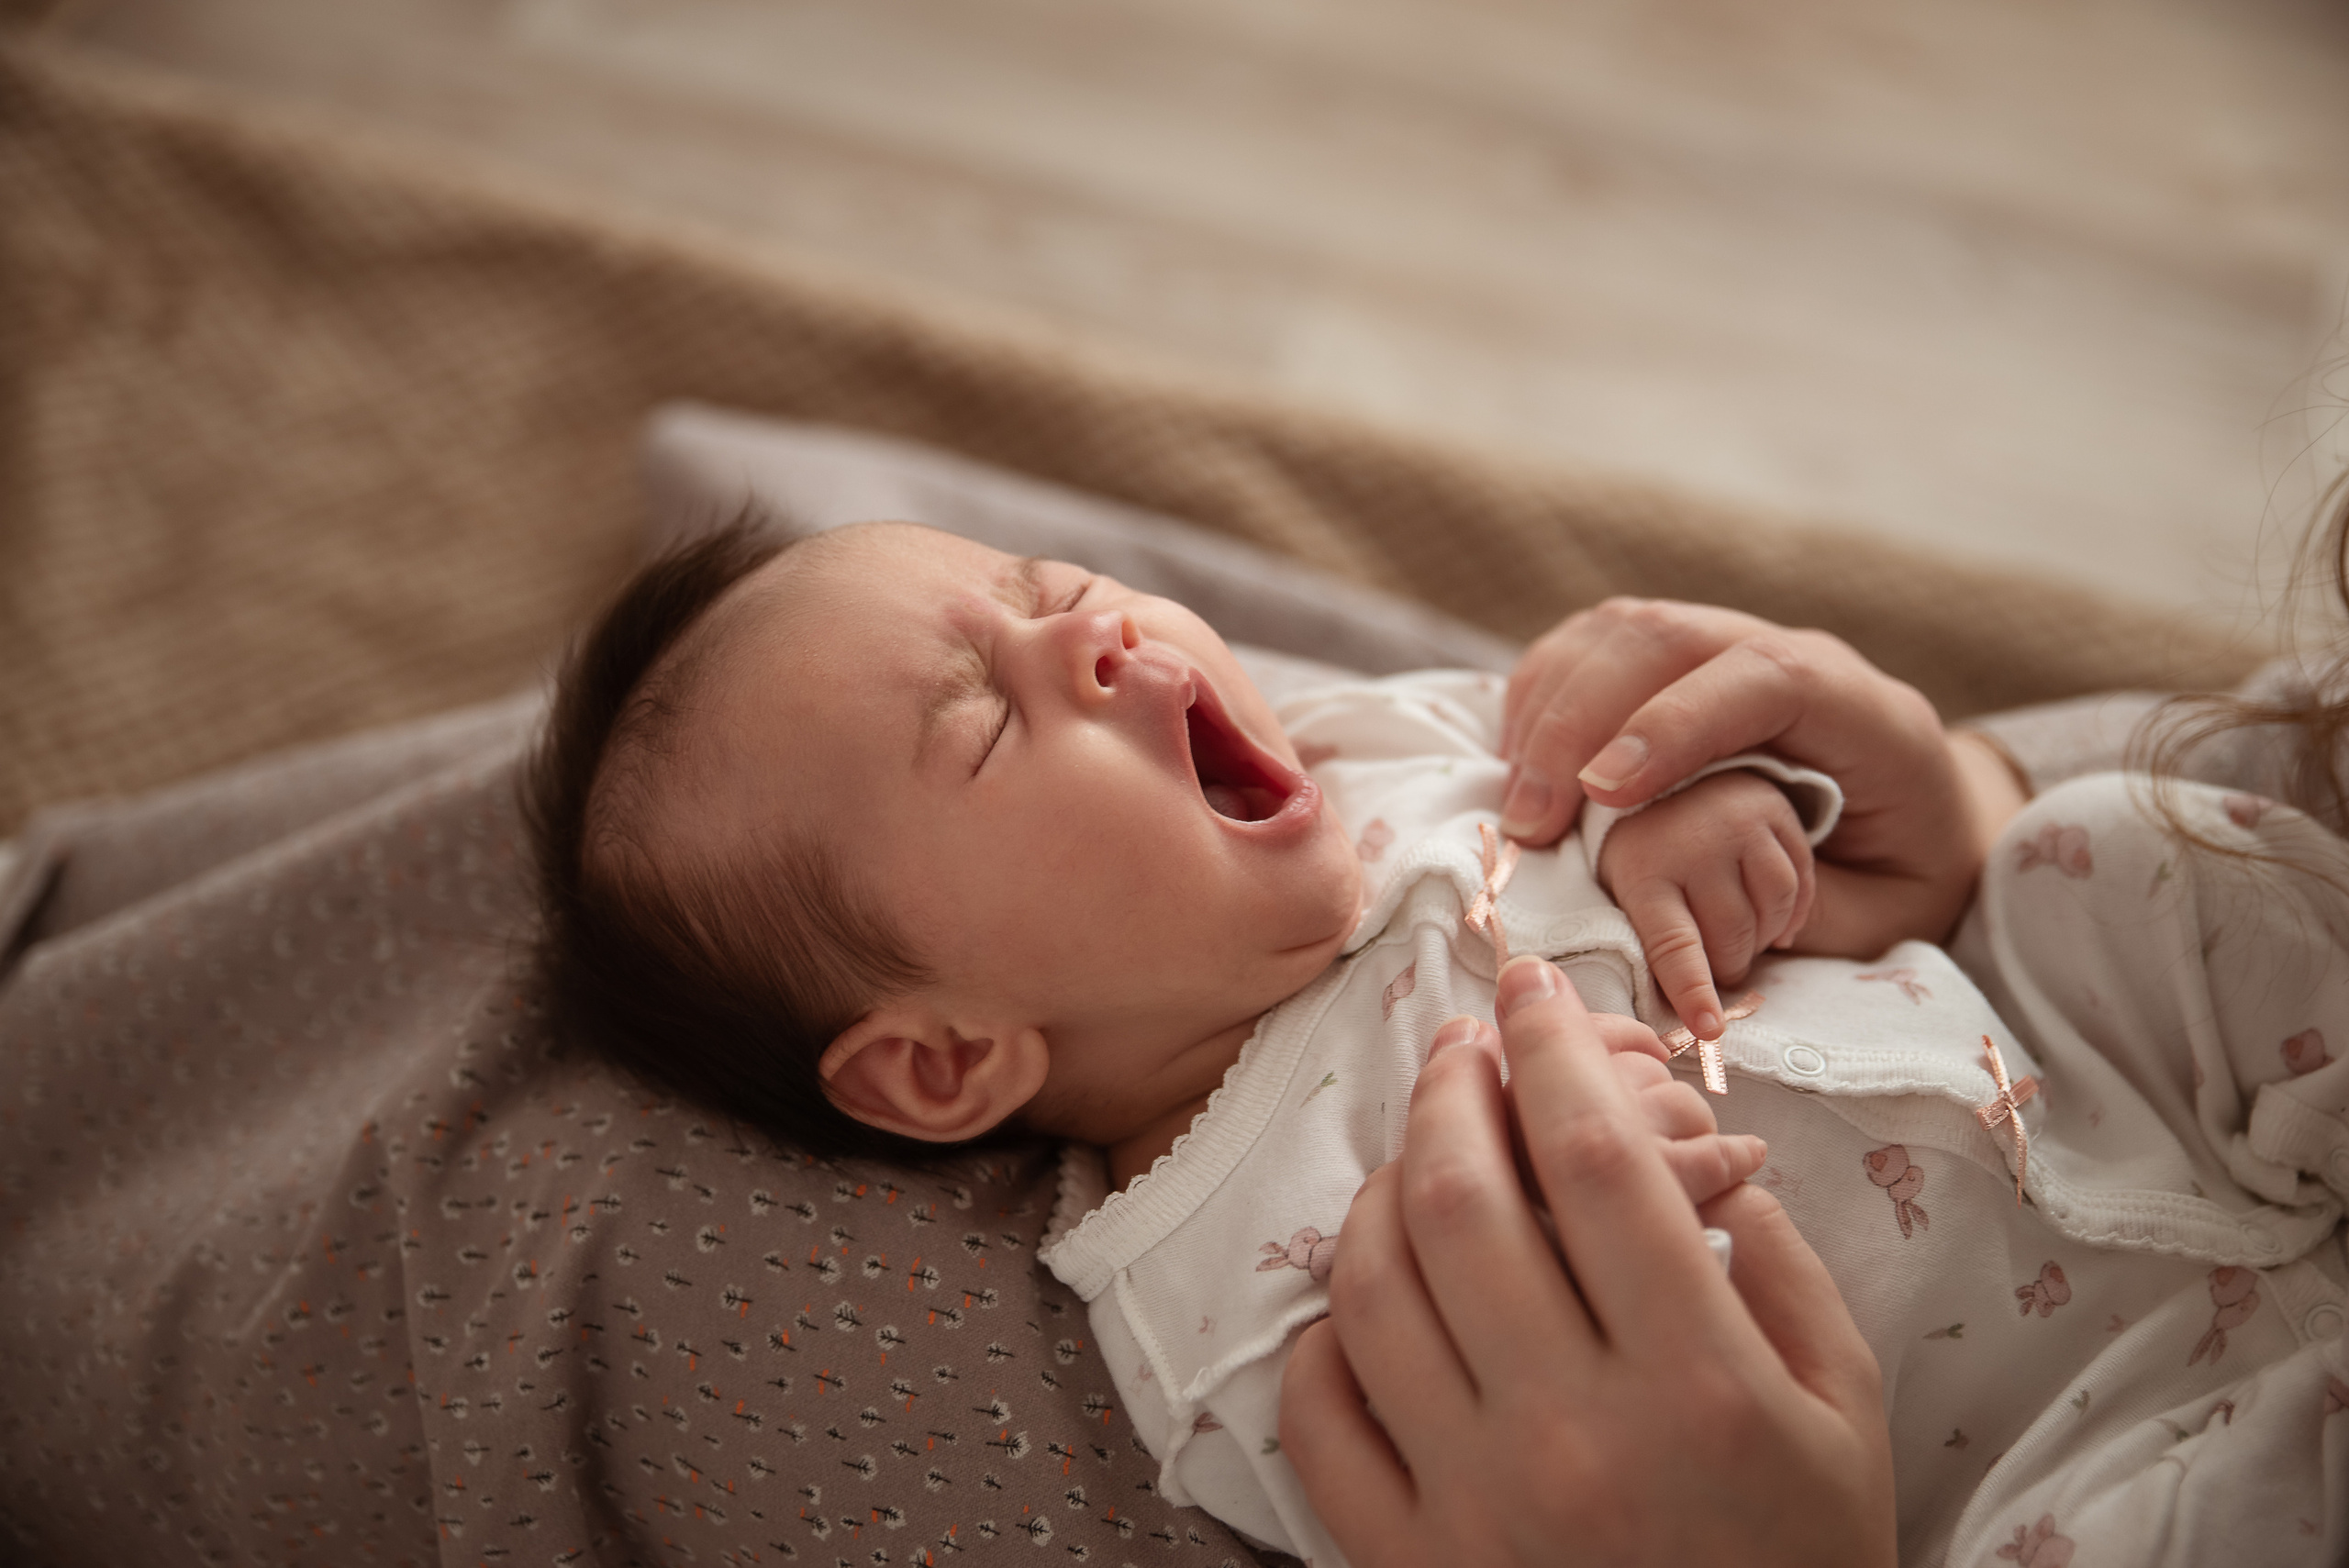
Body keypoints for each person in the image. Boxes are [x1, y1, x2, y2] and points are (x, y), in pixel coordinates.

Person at [524, 519, 2349, 1567]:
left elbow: (1845, 874)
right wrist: (1638, 1214)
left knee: (2099, 852)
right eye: (979, 725)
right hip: (2060, 1458)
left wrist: (1720, 824)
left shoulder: (1379, 741)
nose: (1086, 636)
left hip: (2131, 1070)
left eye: (1039, 586)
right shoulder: (1221, 1306)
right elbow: (1506, 1461)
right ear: (945, 1061)